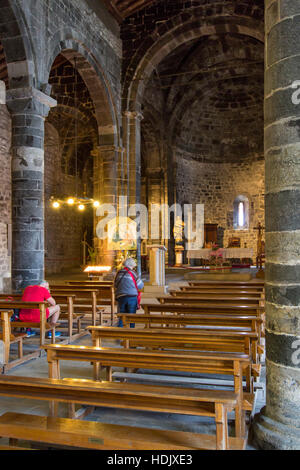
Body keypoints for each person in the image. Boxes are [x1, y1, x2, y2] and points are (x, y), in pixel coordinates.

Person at [114, 258, 144, 328]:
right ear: (132, 265)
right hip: (132, 297)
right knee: (131, 316)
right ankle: (131, 332)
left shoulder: (119, 272)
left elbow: (115, 285)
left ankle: (119, 332)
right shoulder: (133, 273)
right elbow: (141, 286)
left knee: (121, 316)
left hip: (121, 297)